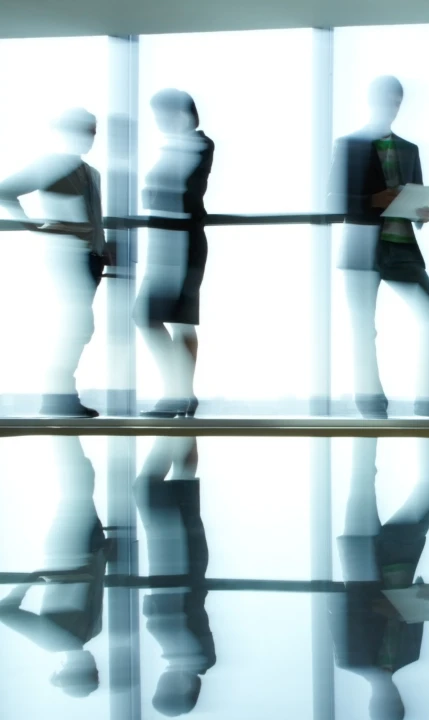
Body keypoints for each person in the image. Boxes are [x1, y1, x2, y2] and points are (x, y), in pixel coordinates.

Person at [329, 76, 429, 420]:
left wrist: (423, 213)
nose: (392, 104)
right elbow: (334, 199)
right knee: (363, 327)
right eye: (386, 98)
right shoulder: (349, 145)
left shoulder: (410, 150)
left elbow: (414, 195)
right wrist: (373, 199)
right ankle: (371, 404)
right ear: (371, 100)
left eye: (397, 99)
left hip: (401, 245)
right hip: (362, 247)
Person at [0, 109, 110, 417]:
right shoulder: (51, 165)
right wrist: (30, 224)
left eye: (93, 131)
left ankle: (60, 395)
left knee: (78, 326)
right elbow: (6, 191)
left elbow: (94, 219)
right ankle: (58, 395)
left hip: (90, 259)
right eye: (87, 130)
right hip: (68, 256)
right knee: (77, 326)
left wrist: (102, 251)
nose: (90, 137)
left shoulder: (91, 173)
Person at [330, 437, 429, 720]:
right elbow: (417, 598)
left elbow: (344, 602)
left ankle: (371, 418)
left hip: (363, 558)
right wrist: (420, 594)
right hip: (398, 558)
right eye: (397, 705)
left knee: (363, 477)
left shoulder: (352, 660)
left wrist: (393, 606)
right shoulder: (409, 656)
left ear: (374, 704)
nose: (393, 699)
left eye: (387, 707)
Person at [0, 437, 109, 698]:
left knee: (79, 483)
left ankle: (63, 426)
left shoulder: (69, 638)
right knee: (80, 483)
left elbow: (4, 611)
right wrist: (36, 577)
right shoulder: (78, 636)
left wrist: (35, 577)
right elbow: (4, 611)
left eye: (93, 673)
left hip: (76, 549)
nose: (97, 667)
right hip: (78, 549)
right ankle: (64, 428)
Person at [135, 90, 214, 418]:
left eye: (161, 116)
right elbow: (152, 195)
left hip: (180, 243)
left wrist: (154, 193)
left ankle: (177, 392)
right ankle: (182, 393)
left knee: (154, 316)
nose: (159, 123)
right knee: (174, 320)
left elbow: (166, 192)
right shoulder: (180, 146)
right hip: (170, 241)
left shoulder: (196, 144)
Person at [134, 436, 216, 716]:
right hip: (174, 557)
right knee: (147, 488)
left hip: (186, 560)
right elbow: (170, 608)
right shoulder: (188, 654)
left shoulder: (193, 656)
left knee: (181, 483)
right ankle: (172, 423)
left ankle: (181, 420)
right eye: (162, 688)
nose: (159, 682)